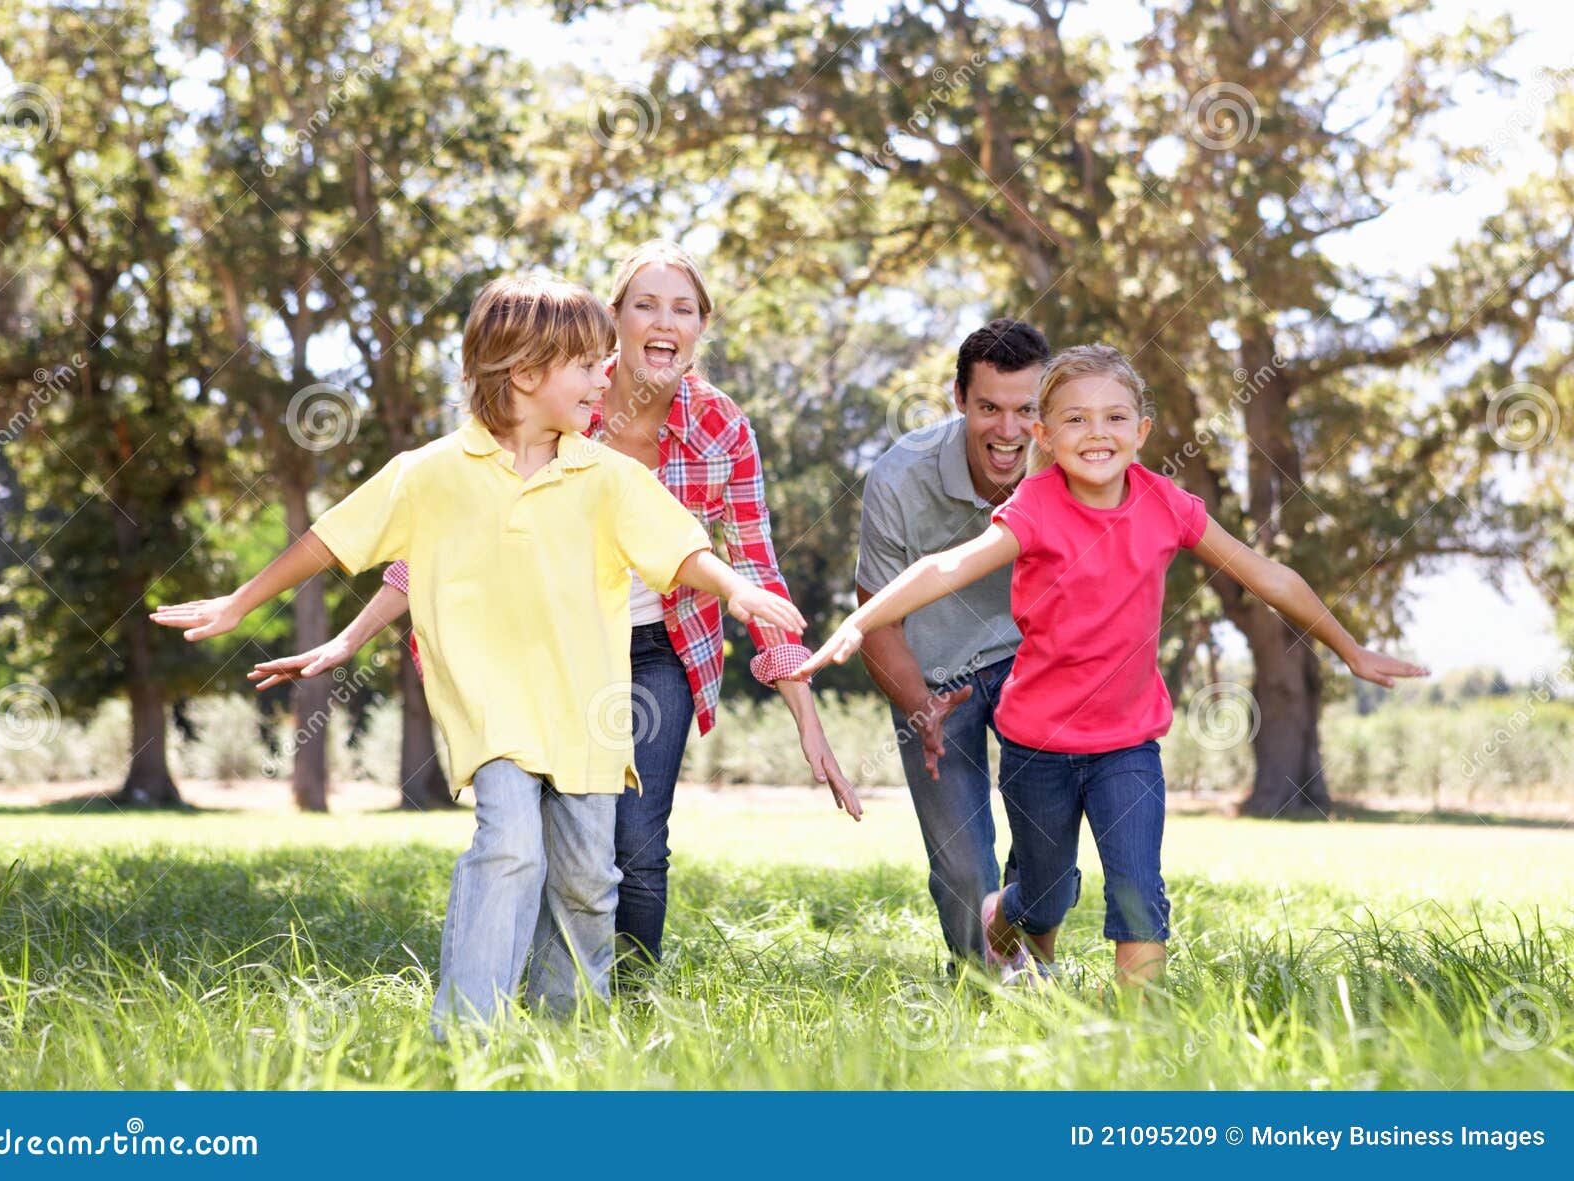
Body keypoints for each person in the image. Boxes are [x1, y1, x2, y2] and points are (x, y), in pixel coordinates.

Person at [151, 276, 806, 1025]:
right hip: (492, 710)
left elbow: (680, 546)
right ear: (526, 374)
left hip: (590, 719)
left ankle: (565, 1030)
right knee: (511, 848)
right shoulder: (430, 473)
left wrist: (736, 591)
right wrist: (240, 601)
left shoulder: (608, 475)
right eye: (588, 364)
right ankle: (468, 1031)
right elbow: (331, 540)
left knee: (591, 877)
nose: (605, 375)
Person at [801, 343, 1429, 985]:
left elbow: (1267, 574)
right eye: (1075, 419)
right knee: (1044, 899)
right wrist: (859, 620)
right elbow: (946, 566)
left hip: (1128, 745)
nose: (1096, 433)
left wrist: (1349, 648)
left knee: (1139, 899)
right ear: (1045, 435)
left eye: (1114, 417)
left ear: (1142, 430)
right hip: (1036, 746)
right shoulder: (1034, 507)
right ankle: (1008, 922)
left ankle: (1139, 1057)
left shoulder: (1167, 505)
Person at [853, 318, 1049, 964]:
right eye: (989, 407)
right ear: (959, 398)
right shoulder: (898, 477)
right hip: (934, 676)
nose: (1008, 429)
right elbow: (876, 614)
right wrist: (919, 702)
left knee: (1046, 847)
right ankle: (985, 989)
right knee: (964, 870)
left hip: (1036, 666)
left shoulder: (1070, 466)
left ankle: (1025, 967)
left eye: (1026, 409)